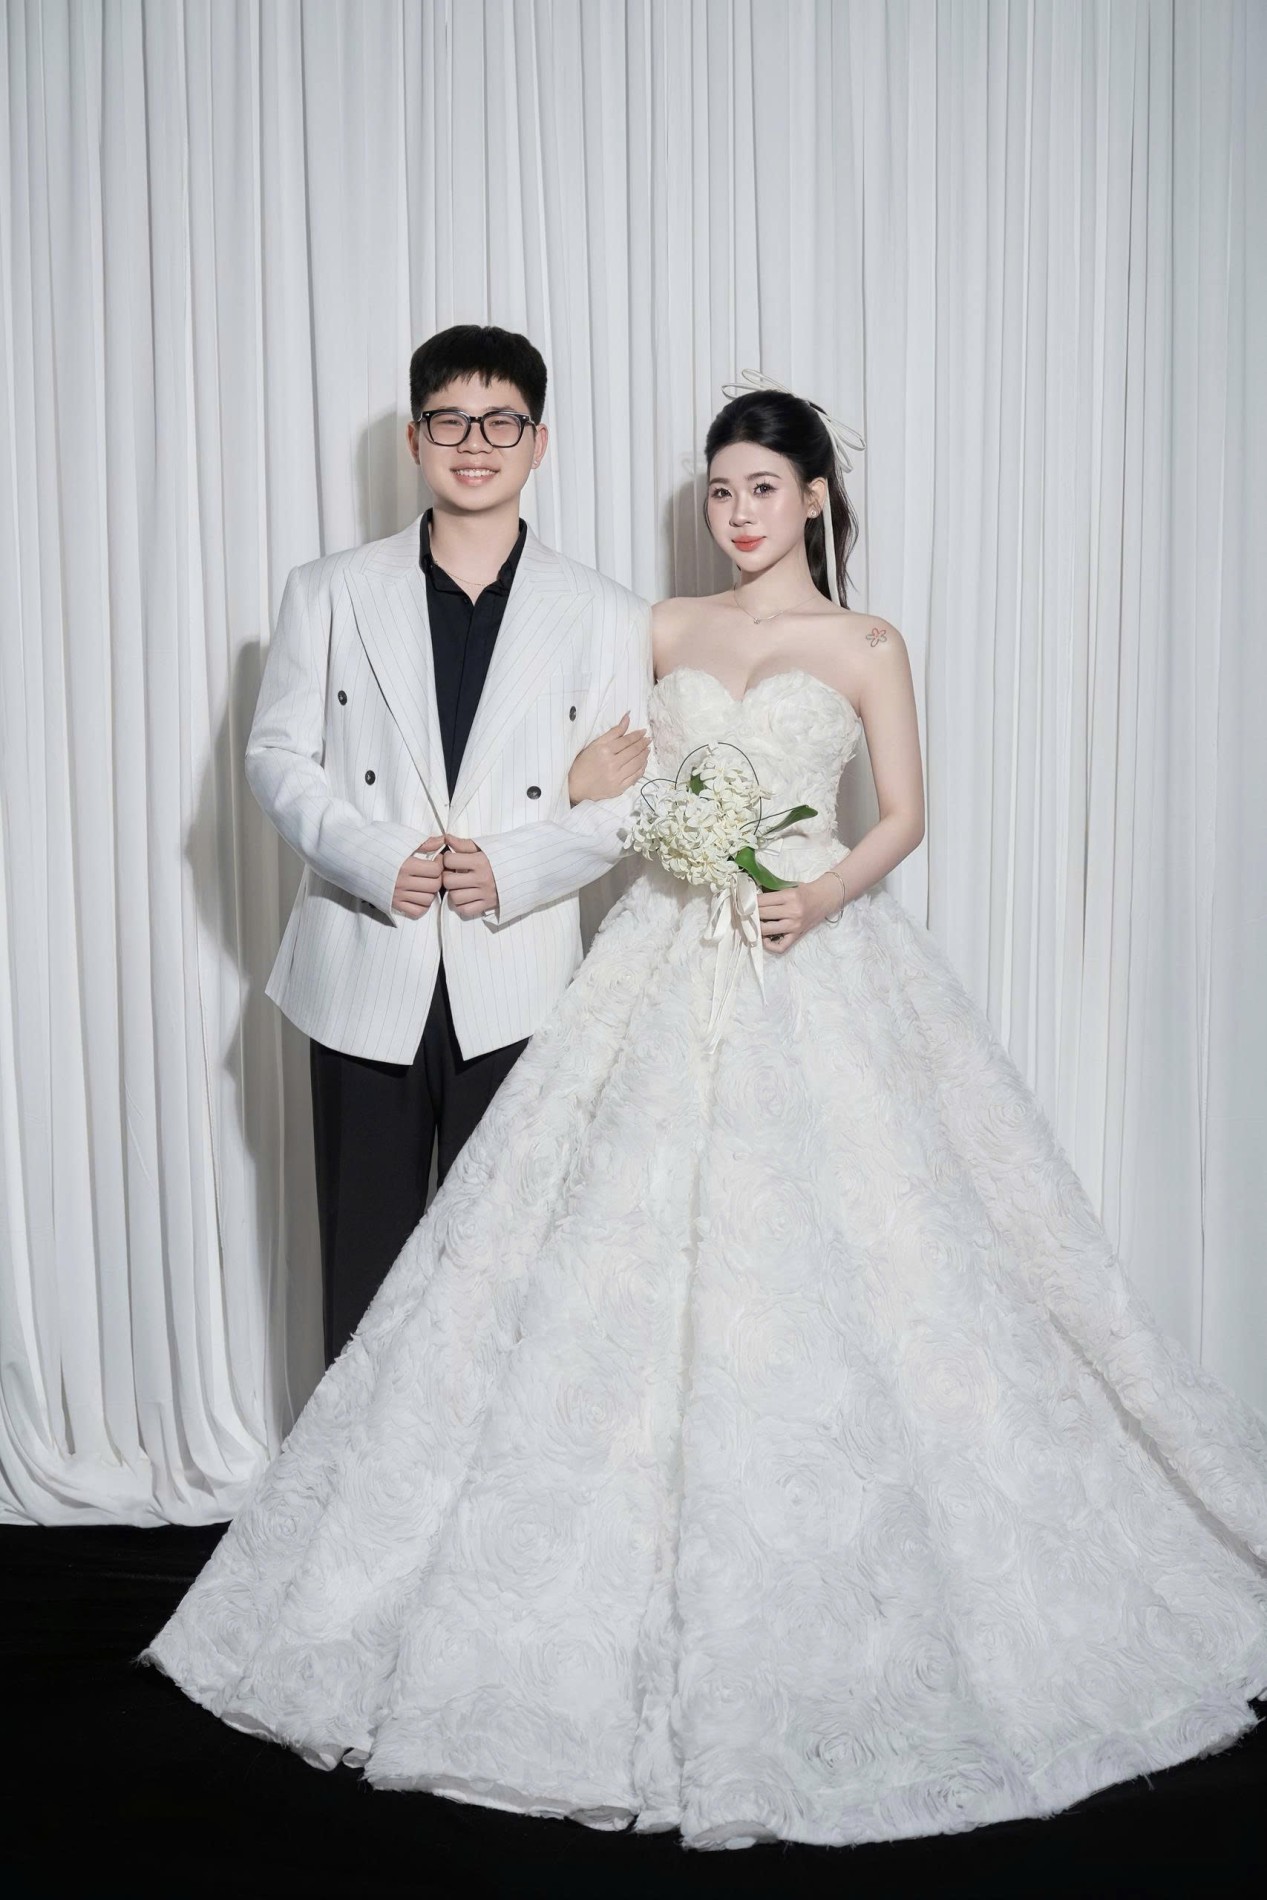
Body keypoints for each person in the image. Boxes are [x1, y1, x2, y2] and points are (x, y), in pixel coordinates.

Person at [143, 380, 1267, 1851]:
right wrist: (592, 787)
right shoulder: (660, 627)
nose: (736, 514)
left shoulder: (867, 643)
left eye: (760, 489)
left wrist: (819, 892)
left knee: (858, 1250)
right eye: (719, 492)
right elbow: (608, 786)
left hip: (810, 956)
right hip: (663, 956)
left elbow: (903, 811)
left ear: (812, 499)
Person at [244, 324, 650, 1362]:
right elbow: (277, 755)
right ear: (414, 439)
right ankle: (348, 1468)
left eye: (501, 421)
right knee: (365, 1265)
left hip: (518, 973)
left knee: (502, 1269)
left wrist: (513, 866)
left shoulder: (606, 613)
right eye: (450, 420)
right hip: (362, 958)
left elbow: (625, 803)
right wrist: (371, 856)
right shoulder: (329, 589)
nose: (475, 443)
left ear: (539, 442)